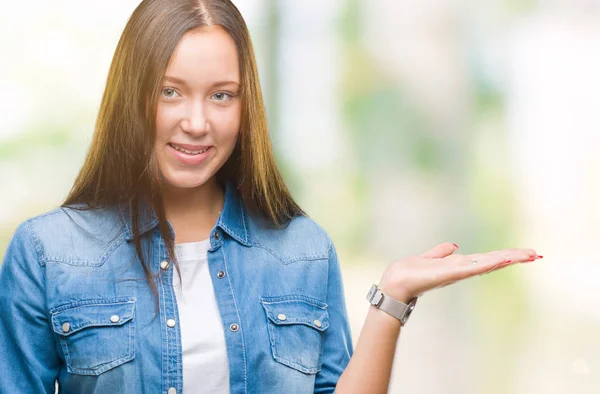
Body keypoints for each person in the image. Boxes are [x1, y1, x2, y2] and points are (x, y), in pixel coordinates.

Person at [0, 1, 542, 393]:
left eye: (222, 96)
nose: (196, 122)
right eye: (170, 91)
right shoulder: (48, 251)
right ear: (130, 97)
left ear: (246, 105)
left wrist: (392, 300)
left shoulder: (301, 249)